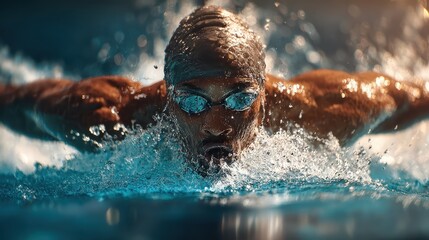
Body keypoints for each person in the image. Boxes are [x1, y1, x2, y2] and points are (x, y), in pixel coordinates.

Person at [1, 6, 428, 173]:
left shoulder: (324, 111)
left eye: (240, 99)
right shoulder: (103, 117)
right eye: (192, 101)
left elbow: (411, 97)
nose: (216, 122)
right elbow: (20, 104)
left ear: (263, 95)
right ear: (168, 97)